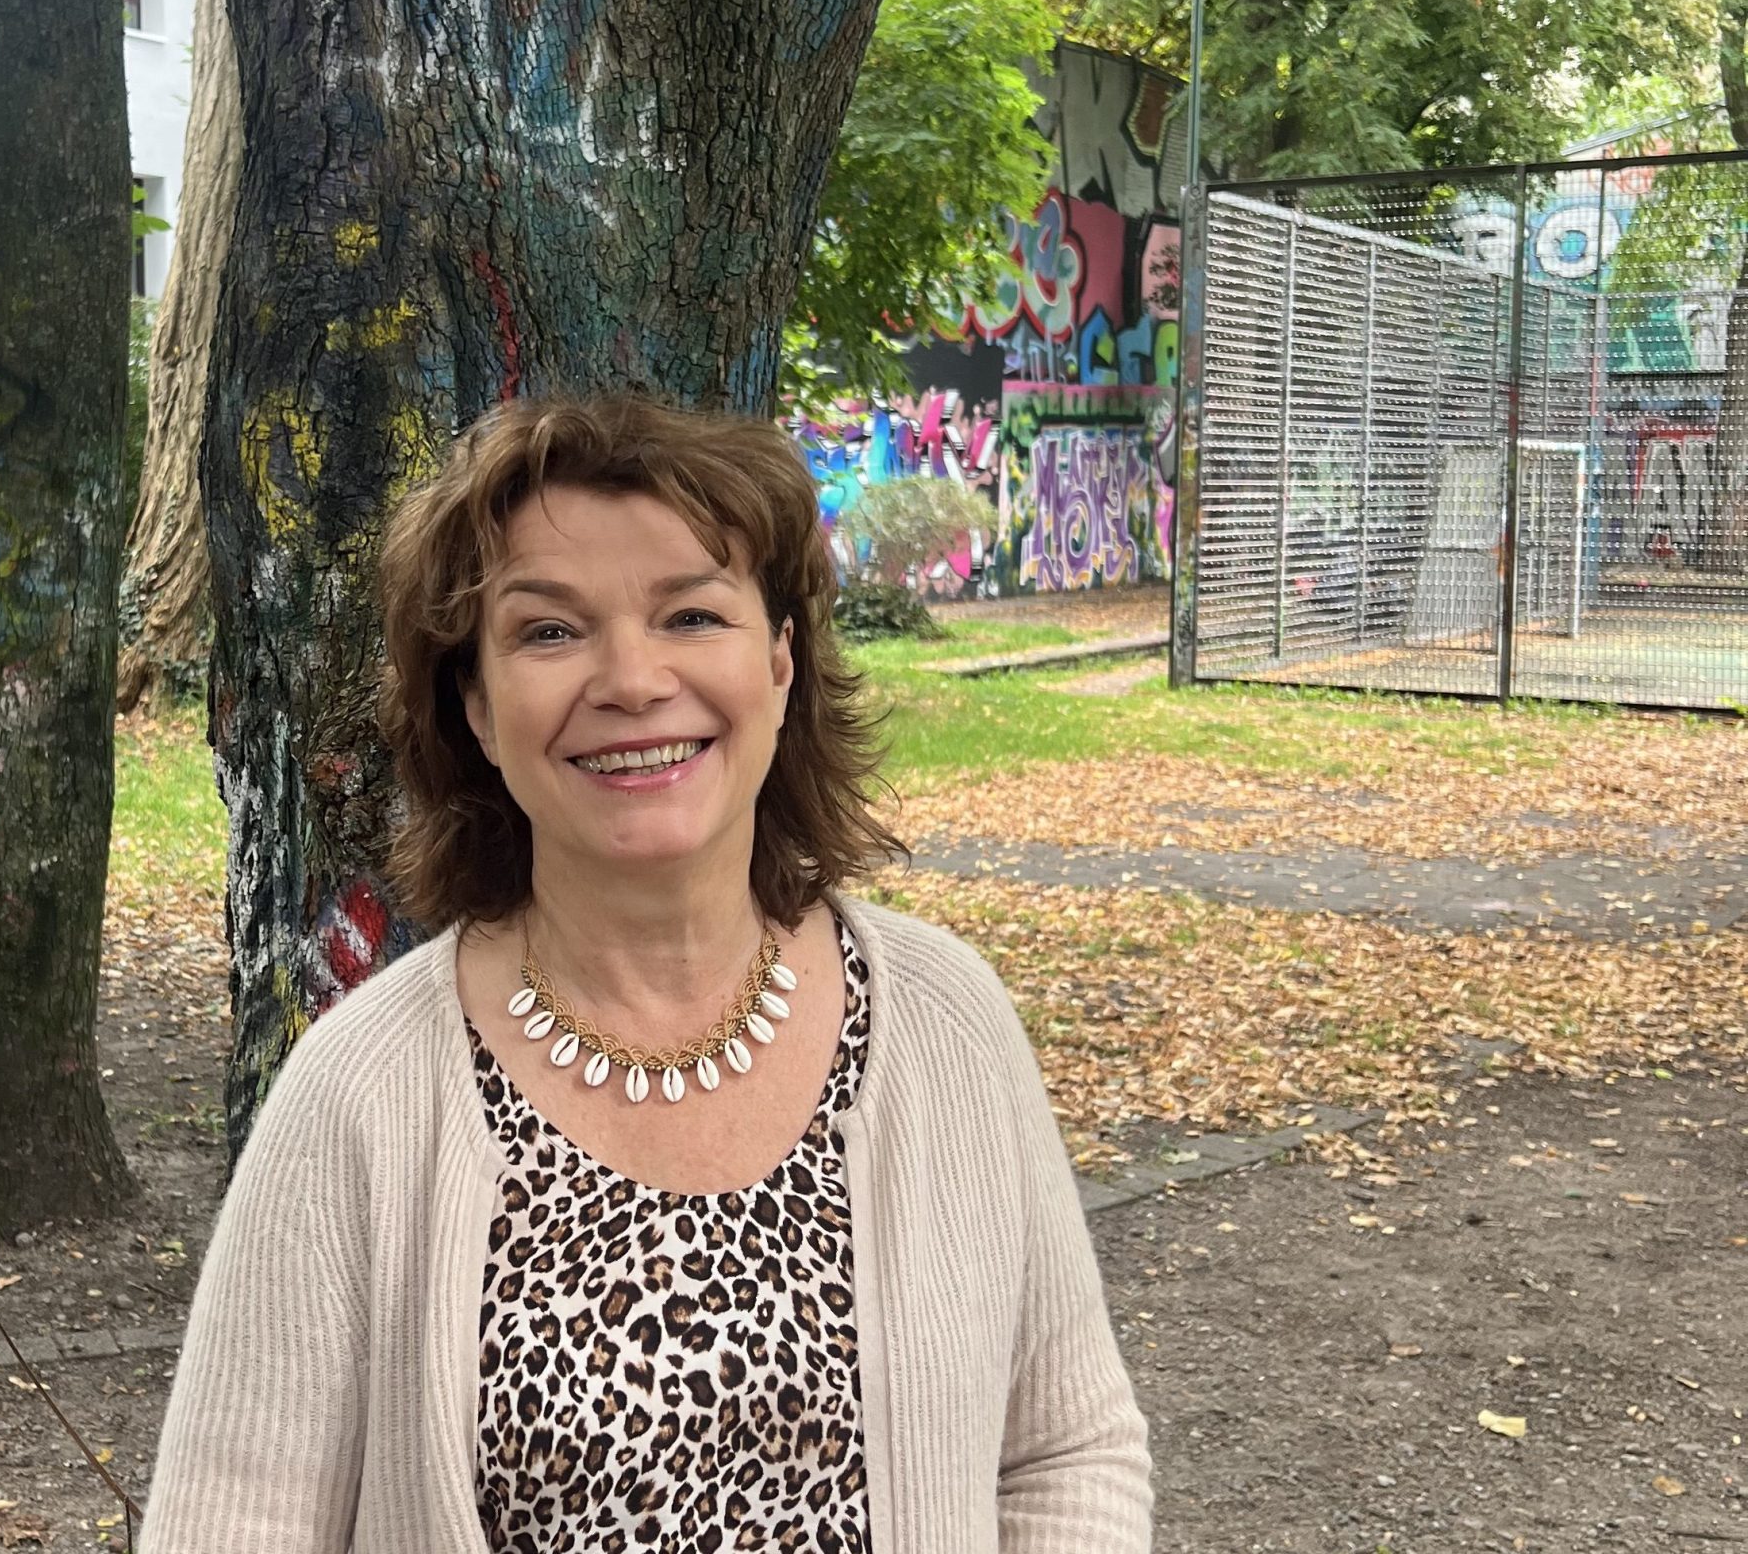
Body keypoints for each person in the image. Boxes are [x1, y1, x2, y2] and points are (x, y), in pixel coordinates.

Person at [139, 393, 1152, 1552]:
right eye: (550, 632)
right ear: (474, 702)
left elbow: (1067, 1453)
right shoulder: (359, 1100)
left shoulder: (947, 1023)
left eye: (690, 615)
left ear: (778, 663)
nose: (630, 680)